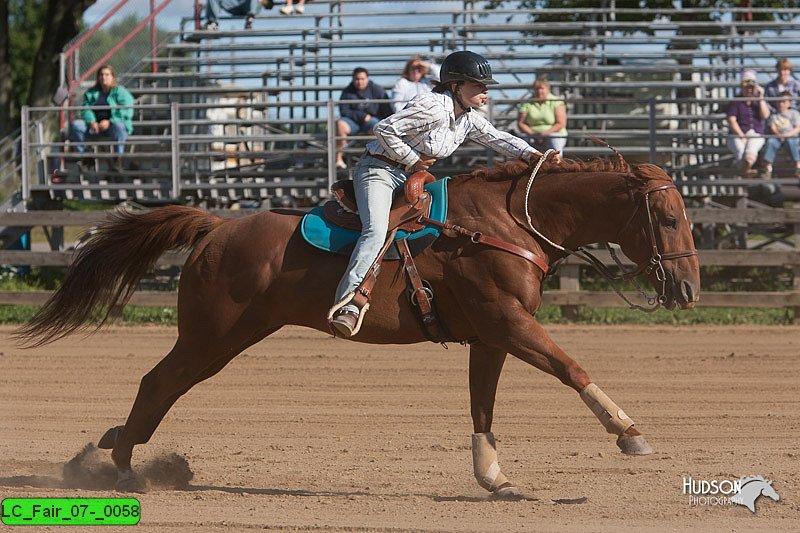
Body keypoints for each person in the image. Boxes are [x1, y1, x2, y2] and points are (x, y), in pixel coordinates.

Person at [329, 51, 559, 337]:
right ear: (456, 86)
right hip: (378, 170)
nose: (485, 91)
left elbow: (497, 137)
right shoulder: (433, 106)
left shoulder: (469, 119)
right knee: (376, 230)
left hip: (410, 175)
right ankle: (348, 302)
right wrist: (412, 158)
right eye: (478, 85)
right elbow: (383, 128)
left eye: (486, 86)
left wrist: (535, 155)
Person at [69, 65, 134, 171]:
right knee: (76, 125)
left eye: (107, 74)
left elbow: (126, 110)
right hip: (95, 127)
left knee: (119, 125)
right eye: (101, 74)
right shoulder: (91, 92)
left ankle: (118, 158)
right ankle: (85, 157)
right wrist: (91, 121)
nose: (104, 77)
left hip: (113, 127)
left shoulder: (121, 92)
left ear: (112, 77)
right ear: (98, 77)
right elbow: (86, 109)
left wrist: (109, 121)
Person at [335, 67, 392, 170]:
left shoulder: (377, 90)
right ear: (353, 79)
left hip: (372, 122)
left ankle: (377, 160)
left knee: (377, 126)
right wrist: (362, 116)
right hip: (353, 122)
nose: (359, 82)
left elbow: (387, 110)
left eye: (362, 79)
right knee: (340, 124)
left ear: (367, 78)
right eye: (357, 79)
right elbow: (344, 111)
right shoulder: (347, 92)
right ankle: (339, 159)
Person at [726, 69, 770, 177]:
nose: (749, 90)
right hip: (737, 133)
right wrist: (742, 135)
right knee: (740, 149)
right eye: (746, 87)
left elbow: (765, 115)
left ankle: (745, 168)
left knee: (752, 146)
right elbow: (732, 120)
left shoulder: (758, 101)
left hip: (756, 133)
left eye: (751, 87)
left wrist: (761, 98)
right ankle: (746, 169)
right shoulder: (736, 101)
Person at [517, 77, 568, 155]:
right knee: (521, 139)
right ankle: (523, 162)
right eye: (536, 89)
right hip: (531, 134)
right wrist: (533, 134)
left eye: (542, 88)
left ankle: (556, 163)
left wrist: (543, 135)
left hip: (553, 133)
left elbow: (560, 124)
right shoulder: (527, 103)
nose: (539, 91)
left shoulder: (556, 101)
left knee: (554, 139)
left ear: (548, 89)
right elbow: (521, 123)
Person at [762, 91, 800, 178]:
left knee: (792, 143)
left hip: (791, 137)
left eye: (783, 102)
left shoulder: (794, 113)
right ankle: (768, 169)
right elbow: (773, 127)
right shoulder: (774, 115)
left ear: (789, 103)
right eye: (779, 101)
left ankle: (798, 166)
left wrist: (787, 135)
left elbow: (798, 128)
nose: (781, 104)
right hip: (778, 137)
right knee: (771, 142)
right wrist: (779, 135)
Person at [205, 0, 274, 30]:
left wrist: (263, 1)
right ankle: (212, 23)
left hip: (251, 7)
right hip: (234, 5)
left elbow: (269, 5)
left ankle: (250, 19)